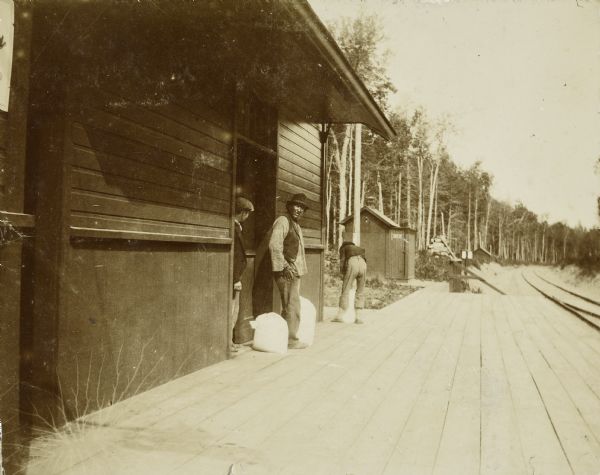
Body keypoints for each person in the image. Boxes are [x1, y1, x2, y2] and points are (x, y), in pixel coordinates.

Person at [268, 193, 309, 349]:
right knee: (292, 305)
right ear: (289, 206)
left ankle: (287, 337)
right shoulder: (283, 221)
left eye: (302, 208)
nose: (299, 210)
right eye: (296, 206)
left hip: (294, 270)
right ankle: (291, 340)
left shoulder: (295, 225)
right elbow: (274, 245)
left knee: (291, 305)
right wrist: (285, 266)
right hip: (287, 271)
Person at [231, 194, 254, 352]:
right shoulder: (234, 228)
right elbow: (235, 256)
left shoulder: (236, 227)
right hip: (235, 277)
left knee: (234, 309)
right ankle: (228, 342)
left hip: (235, 276)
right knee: (232, 309)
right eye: (247, 213)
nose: (247, 217)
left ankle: (229, 341)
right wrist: (236, 278)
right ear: (243, 212)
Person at [335, 241, 367, 324]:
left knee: (346, 289)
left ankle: (340, 316)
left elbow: (342, 261)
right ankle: (358, 317)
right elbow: (365, 259)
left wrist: (343, 274)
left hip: (352, 263)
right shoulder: (358, 248)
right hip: (363, 264)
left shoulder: (344, 248)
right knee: (360, 290)